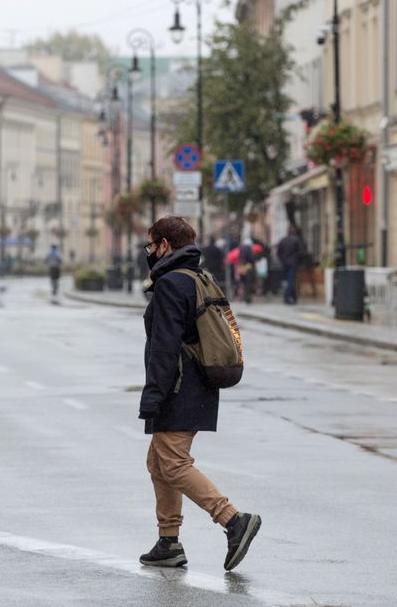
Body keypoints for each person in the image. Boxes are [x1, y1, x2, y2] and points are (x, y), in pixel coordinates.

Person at [137, 215, 261, 572]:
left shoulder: (172, 284)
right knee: (159, 462)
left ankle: (233, 520)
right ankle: (168, 542)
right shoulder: (199, 277)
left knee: (173, 462)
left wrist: (153, 395)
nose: (150, 252)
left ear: (164, 245)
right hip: (197, 384)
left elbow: (165, 347)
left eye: (152, 244)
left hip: (179, 386)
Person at [275, 226, 307, 305]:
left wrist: (282, 260)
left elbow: (278, 253)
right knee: (291, 280)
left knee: (287, 280)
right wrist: (298, 260)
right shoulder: (297, 240)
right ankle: (287, 297)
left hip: (285, 263)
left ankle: (294, 296)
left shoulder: (283, 240)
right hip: (293, 263)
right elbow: (301, 252)